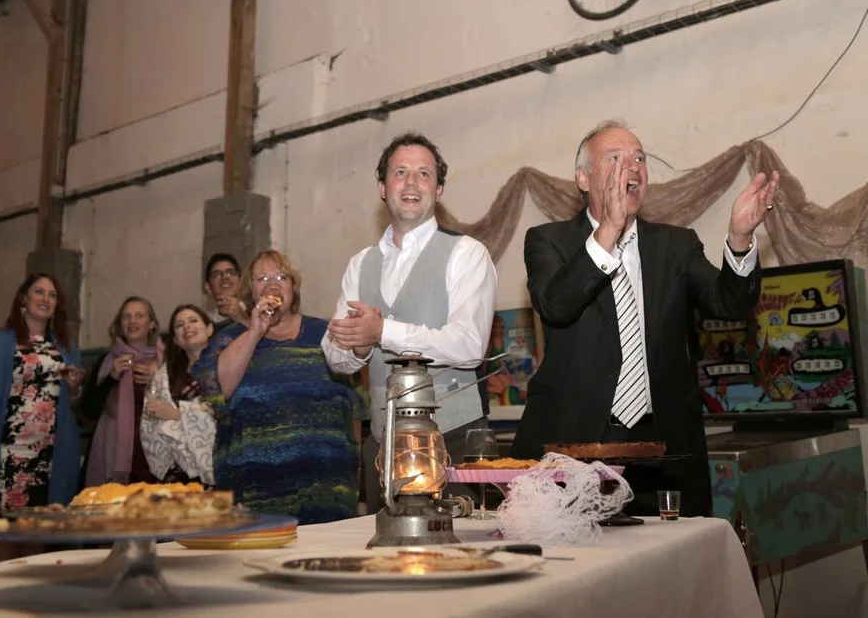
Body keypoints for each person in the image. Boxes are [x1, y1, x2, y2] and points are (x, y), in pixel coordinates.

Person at [510, 119, 779, 517]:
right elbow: (555, 305)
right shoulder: (549, 241)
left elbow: (729, 304)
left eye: (639, 158)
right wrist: (609, 232)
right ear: (584, 179)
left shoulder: (675, 244)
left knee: (673, 569)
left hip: (663, 447)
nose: (632, 167)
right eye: (615, 158)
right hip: (577, 444)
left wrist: (739, 240)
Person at [323, 132, 498, 513]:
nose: (412, 182)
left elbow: (469, 346)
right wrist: (358, 346)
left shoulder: (467, 254)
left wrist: (382, 332)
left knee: (462, 558)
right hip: (383, 444)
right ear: (383, 187)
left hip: (454, 438)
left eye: (423, 174)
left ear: (438, 190)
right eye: (400, 172)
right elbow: (334, 355)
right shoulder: (360, 264)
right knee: (385, 561)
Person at [193, 250, 360, 524]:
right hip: (254, 496)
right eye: (262, 278)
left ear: (293, 287)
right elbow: (219, 390)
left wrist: (355, 476)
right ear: (250, 291)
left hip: (328, 490)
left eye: (281, 276)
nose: (273, 284)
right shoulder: (232, 338)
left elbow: (354, 407)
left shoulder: (327, 333)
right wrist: (255, 331)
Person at [0, 273, 84, 561]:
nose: (45, 299)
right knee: (7, 538)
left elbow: (72, 405)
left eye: (52, 295)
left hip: (50, 455)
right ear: (23, 299)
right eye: (39, 292)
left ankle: (29, 602)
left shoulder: (65, 348)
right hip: (9, 455)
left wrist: (75, 388)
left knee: (38, 538)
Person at [83, 296, 164, 486]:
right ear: (120, 324)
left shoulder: (166, 360)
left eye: (139, 316)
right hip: (116, 455)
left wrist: (159, 379)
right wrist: (111, 377)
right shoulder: (107, 361)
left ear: (151, 324)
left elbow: (179, 407)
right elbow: (89, 411)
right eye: (126, 317)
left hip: (156, 455)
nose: (132, 321)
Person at [140, 304, 217, 484]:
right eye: (179, 325)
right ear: (175, 339)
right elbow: (149, 422)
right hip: (179, 473)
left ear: (209, 328)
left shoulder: (227, 366)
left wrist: (177, 414)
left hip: (220, 463)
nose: (187, 327)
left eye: (193, 321)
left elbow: (227, 410)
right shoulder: (164, 376)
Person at [203, 253, 247, 332]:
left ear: (240, 281)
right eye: (217, 275)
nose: (225, 277)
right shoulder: (205, 328)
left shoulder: (258, 314)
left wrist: (241, 317)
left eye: (230, 272)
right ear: (208, 287)